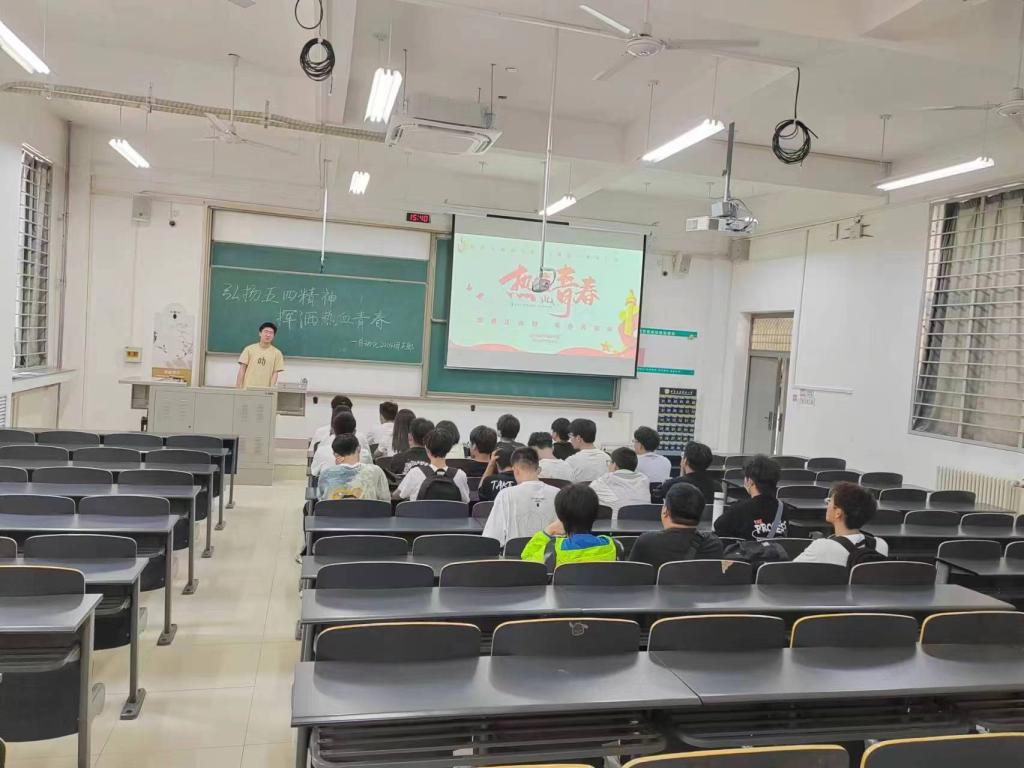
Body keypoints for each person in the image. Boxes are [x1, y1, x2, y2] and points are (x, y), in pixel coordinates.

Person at [520, 483, 618, 568]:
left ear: (560, 518)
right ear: (596, 515)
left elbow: (528, 560)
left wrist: (548, 531)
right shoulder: (611, 546)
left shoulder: (552, 550)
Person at [628, 483, 723, 569]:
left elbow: (630, 577)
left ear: (665, 511)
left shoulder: (646, 542)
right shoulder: (713, 545)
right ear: (701, 513)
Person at [794, 482, 888, 567]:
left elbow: (790, 571)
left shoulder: (821, 547)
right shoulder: (880, 545)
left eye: (829, 501)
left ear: (838, 513)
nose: (827, 504)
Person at [482, 447, 559, 546]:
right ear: (538, 469)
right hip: (550, 554)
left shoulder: (506, 495)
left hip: (515, 555)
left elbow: (492, 538)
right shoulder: (558, 493)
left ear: (516, 470)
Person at [714, 454, 794, 540]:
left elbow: (718, 526)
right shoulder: (783, 508)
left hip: (749, 549)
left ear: (750, 481)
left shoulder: (739, 509)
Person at [394, 428, 471, 502]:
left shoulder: (415, 473)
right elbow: (465, 501)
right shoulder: (460, 475)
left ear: (426, 449)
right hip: (450, 512)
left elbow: (397, 495)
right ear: (449, 449)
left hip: (421, 511)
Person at [317, 433, 391, 502]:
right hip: (367, 511)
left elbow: (321, 501)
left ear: (335, 454)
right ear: (359, 448)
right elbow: (385, 501)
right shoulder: (376, 471)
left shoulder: (325, 474)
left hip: (335, 511)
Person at [589, 447, 652, 517]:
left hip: (615, 523)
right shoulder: (644, 479)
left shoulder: (604, 480)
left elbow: (588, 496)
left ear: (615, 465)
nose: (609, 466)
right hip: (643, 522)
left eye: (610, 462)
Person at [236, 321, 284, 389]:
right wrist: (238, 388)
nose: (268, 335)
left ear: (273, 336)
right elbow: (242, 369)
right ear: (260, 333)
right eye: (266, 332)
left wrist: (271, 390)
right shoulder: (249, 349)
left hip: (265, 391)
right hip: (247, 389)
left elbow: (275, 373)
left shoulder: (277, 353)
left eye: (271, 333)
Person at [564, 418, 611, 482]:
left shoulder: (571, 461)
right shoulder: (607, 458)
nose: (570, 439)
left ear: (578, 438)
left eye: (571, 435)